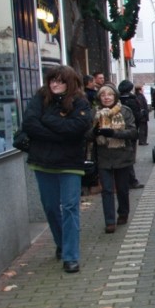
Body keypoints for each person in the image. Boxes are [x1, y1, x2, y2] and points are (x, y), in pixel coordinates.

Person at [21, 66, 93, 274]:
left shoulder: (80, 102)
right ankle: (61, 243)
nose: (55, 84)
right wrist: (59, 133)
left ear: (69, 83)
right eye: (52, 80)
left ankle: (71, 256)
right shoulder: (40, 98)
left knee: (70, 207)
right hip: (43, 161)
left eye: (60, 81)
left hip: (70, 163)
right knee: (51, 207)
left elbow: (76, 129)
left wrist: (48, 121)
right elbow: (30, 124)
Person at [90, 84, 138, 233]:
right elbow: (87, 135)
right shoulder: (95, 112)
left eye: (109, 95)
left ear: (115, 96)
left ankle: (123, 213)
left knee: (122, 189)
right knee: (107, 190)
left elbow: (133, 132)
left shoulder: (124, 111)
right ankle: (110, 221)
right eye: (103, 95)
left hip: (122, 155)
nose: (106, 97)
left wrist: (113, 133)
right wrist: (95, 132)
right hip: (103, 156)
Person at [117, 80, 145, 189]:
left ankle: (126, 181)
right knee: (129, 157)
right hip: (130, 132)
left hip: (118, 132)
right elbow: (137, 117)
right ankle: (131, 181)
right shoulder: (133, 100)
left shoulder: (118, 100)